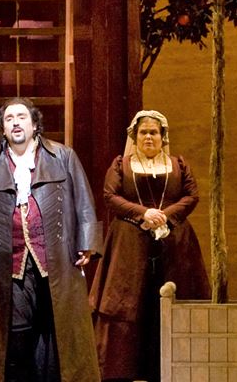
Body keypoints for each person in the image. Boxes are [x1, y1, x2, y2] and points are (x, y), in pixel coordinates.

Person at [0, 96, 102, 382]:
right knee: (17, 332)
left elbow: (84, 202)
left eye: (21, 117)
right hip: (11, 262)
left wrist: (87, 242)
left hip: (57, 257)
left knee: (59, 327)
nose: (15, 123)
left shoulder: (63, 156)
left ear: (35, 124)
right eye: (9, 119)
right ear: (3, 129)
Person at [88, 110, 206, 382]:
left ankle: (169, 369)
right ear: (135, 136)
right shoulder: (121, 165)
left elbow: (192, 195)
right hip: (129, 244)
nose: (149, 137)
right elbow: (110, 196)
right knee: (127, 303)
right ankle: (122, 371)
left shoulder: (178, 165)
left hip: (174, 243)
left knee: (170, 299)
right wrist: (144, 213)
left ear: (163, 136)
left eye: (154, 132)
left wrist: (165, 215)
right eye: (143, 132)